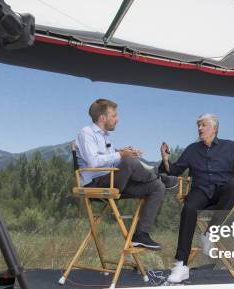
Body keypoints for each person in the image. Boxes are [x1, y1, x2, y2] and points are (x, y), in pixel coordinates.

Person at [159, 113, 234, 283]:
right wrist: (165, 159)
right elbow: (174, 171)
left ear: (214, 128)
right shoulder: (192, 149)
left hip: (223, 194)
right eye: (198, 125)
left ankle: (209, 234)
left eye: (203, 125)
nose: (200, 128)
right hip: (200, 192)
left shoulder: (229, 147)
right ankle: (181, 265)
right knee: (189, 209)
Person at [76, 98, 177, 250]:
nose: (117, 119)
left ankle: (141, 235)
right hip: (96, 184)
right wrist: (121, 155)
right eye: (114, 115)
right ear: (103, 118)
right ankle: (158, 174)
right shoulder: (87, 133)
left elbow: (111, 161)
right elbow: (93, 162)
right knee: (129, 161)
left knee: (157, 187)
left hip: (112, 181)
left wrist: (125, 153)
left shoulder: (105, 136)